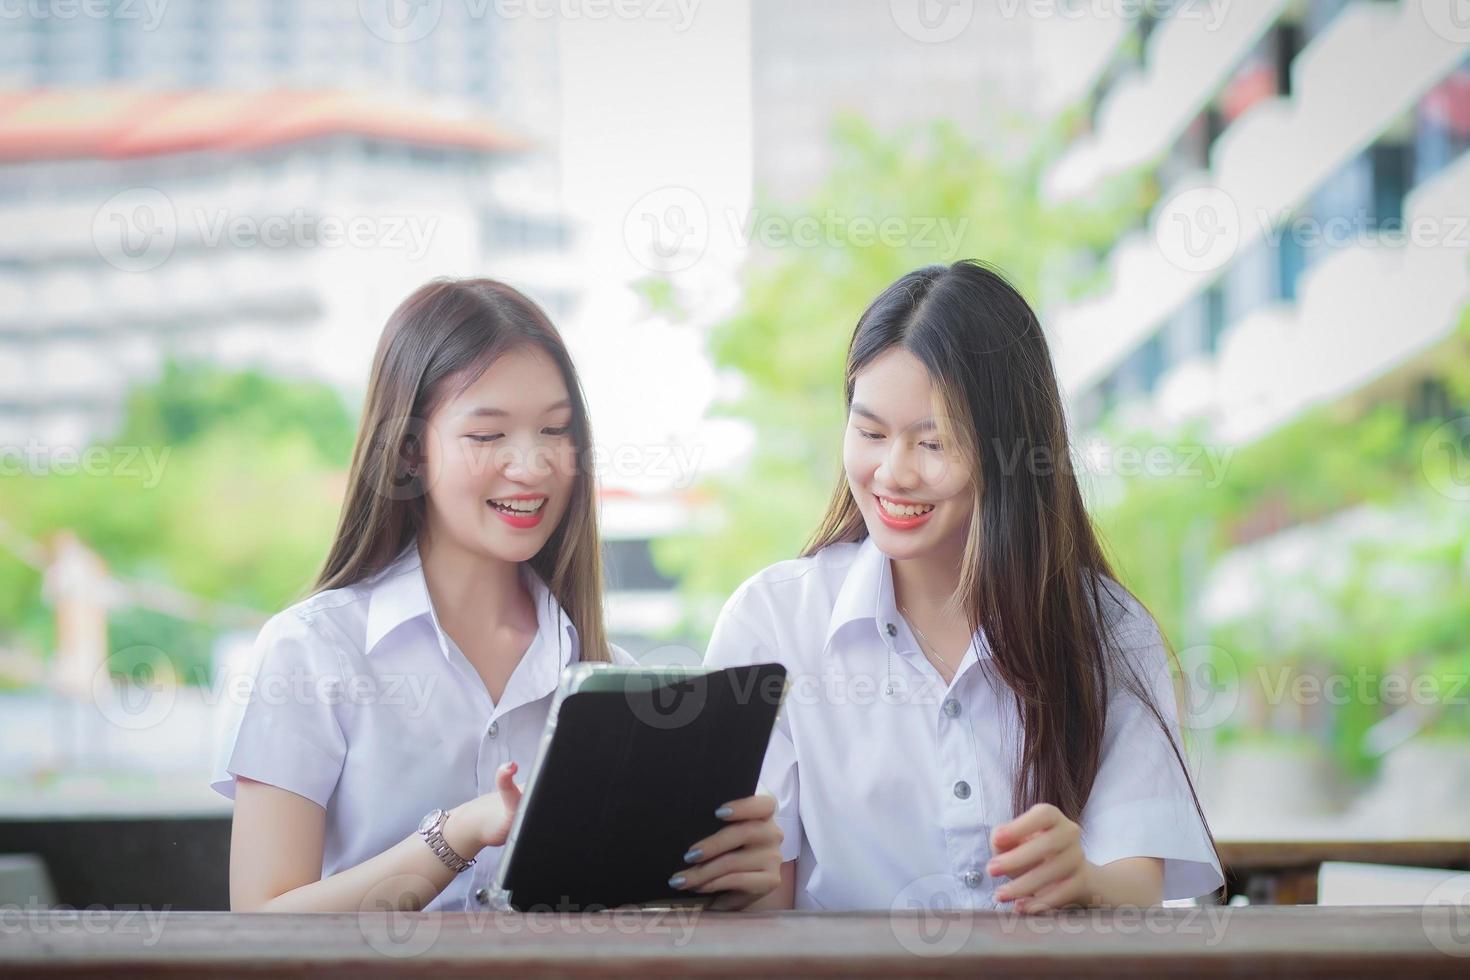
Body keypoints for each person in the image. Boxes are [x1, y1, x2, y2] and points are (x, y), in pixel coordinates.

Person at [212, 279, 783, 912]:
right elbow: (261, 923)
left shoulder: (606, 682)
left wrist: (728, 889)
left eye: (555, 431)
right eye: (487, 436)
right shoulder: (312, 653)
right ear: (408, 453)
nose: (533, 465)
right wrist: (451, 837)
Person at [704, 260, 1224, 912]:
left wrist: (1084, 883)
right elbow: (761, 914)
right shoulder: (773, 621)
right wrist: (728, 881)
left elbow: (1136, 886)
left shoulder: (1108, 631)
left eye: (934, 443)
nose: (892, 473)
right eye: (869, 433)